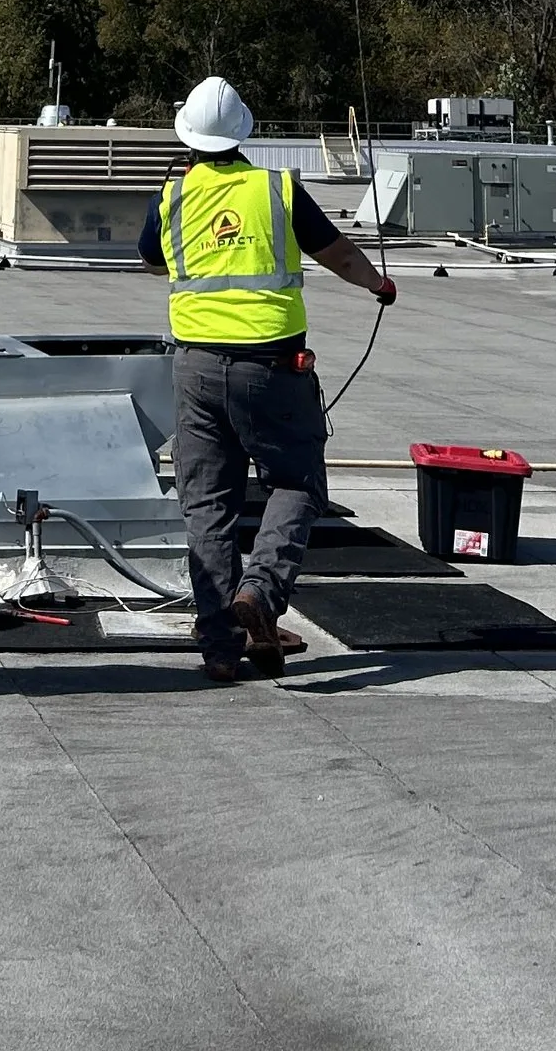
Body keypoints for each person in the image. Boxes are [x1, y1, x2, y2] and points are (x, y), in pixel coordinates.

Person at [139, 74, 396, 684]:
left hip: (196, 365)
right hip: (274, 368)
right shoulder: (278, 189)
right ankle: (259, 591)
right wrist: (377, 285)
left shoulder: (172, 194)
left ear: (188, 135)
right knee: (297, 482)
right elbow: (337, 253)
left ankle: (221, 647)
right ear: (244, 133)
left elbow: (152, 260)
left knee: (206, 502)